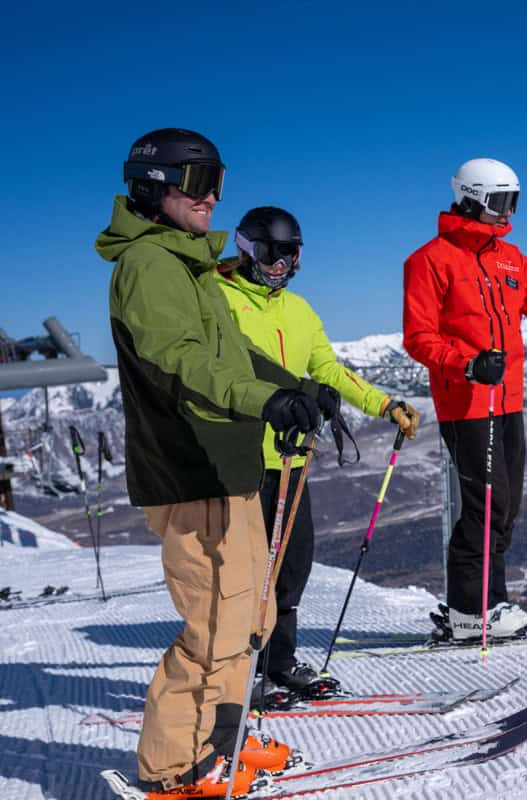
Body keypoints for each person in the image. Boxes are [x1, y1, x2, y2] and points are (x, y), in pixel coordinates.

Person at [97, 128, 338, 797]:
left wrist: (296, 388)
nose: (213, 199)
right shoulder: (150, 266)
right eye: (201, 184)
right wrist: (266, 400)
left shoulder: (192, 267)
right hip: (191, 467)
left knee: (248, 619)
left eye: (218, 182)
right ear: (156, 185)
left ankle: (221, 744)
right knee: (212, 626)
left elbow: (232, 355)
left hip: (228, 465)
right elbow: (183, 361)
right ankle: (174, 772)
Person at [217, 205, 420, 702]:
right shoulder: (216, 299)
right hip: (235, 461)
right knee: (246, 578)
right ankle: (240, 676)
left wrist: (384, 404)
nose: (282, 266)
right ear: (246, 249)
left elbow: (328, 369)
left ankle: (279, 664)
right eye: (272, 254)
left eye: (291, 254)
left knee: (290, 569)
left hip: (291, 461)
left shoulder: (299, 311)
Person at [403, 158, 527, 640]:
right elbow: (418, 337)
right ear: (471, 197)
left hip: (509, 399)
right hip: (466, 403)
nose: (507, 212)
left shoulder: (510, 257)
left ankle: (490, 605)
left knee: (506, 508)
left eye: (512, 201)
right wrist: (466, 363)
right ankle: (471, 612)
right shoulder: (429, 260)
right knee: (483, 507)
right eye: (499, 202)